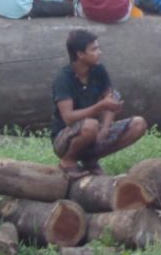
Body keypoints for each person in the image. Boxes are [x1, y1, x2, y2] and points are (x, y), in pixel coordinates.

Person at [51, 29, 147, 179]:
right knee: (90, 125)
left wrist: (106, 126)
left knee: (138, 124)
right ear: (80, 54)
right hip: (65, 138)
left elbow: (109, 97)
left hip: (93, 131)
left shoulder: (98, 70)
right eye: (94, 49)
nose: (99, 52)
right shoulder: (64, 79)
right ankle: (68, 161)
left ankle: (90, 160)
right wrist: (100, 107)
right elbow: (68, 118)